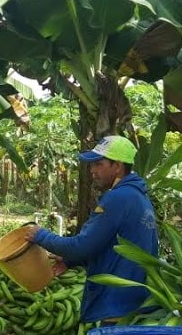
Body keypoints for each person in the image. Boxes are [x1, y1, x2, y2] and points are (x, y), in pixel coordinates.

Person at [21, 135, 159, 324]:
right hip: (135, 302)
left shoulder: (118, 198)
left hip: (118, 304)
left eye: (99, 164)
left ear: (118, 166)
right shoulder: (138, 196)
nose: (92, 170)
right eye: (92, 165)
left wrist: (41, 235)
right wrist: (70, 260)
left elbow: (81, 245)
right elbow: (113, 246)